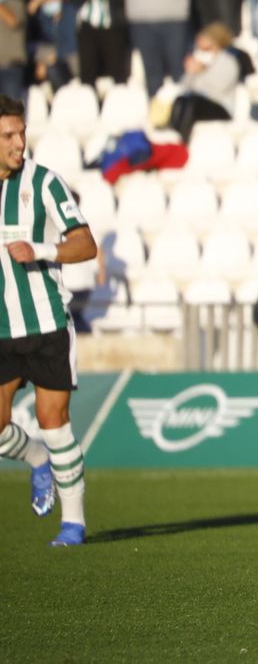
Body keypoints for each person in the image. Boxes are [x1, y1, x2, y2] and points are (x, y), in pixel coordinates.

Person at [0, 94, 99, 546]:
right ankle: (37, 458)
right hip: (2, 328)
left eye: (21, 133)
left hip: (45, 323)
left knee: (52, 418)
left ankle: (74, 522)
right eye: (8, 136)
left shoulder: (43, 184)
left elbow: (85, 244)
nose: (20, 143)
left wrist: (41, 251)